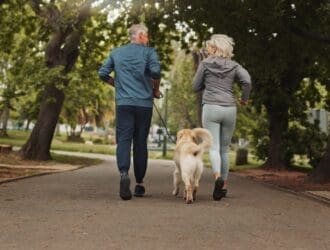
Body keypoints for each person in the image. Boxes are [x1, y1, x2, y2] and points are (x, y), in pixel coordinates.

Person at [98, 24, 161, 200]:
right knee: (140, 142)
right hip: (144, 105)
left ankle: (124, 174)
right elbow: (155, 72)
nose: (148, 39)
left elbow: (102, 73)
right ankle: (139, 184)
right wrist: (155, 90)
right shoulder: (150, 52)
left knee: (124, 140)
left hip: (123, 104)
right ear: (140, 35)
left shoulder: (116, 52)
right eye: (146, 35)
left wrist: (116, 84)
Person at [192, 34, 252, 201]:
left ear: (215, 48)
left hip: (211, 107)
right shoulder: (234, 66)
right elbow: (247, 81)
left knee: (214, 147)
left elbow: (195, 86)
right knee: (224, 148)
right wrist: (244, 99)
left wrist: (206, 82)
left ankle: (217, 176)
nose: (208, 49)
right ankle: (223, 185)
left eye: (210, 46)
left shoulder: (205, 64)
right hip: (229, 108)